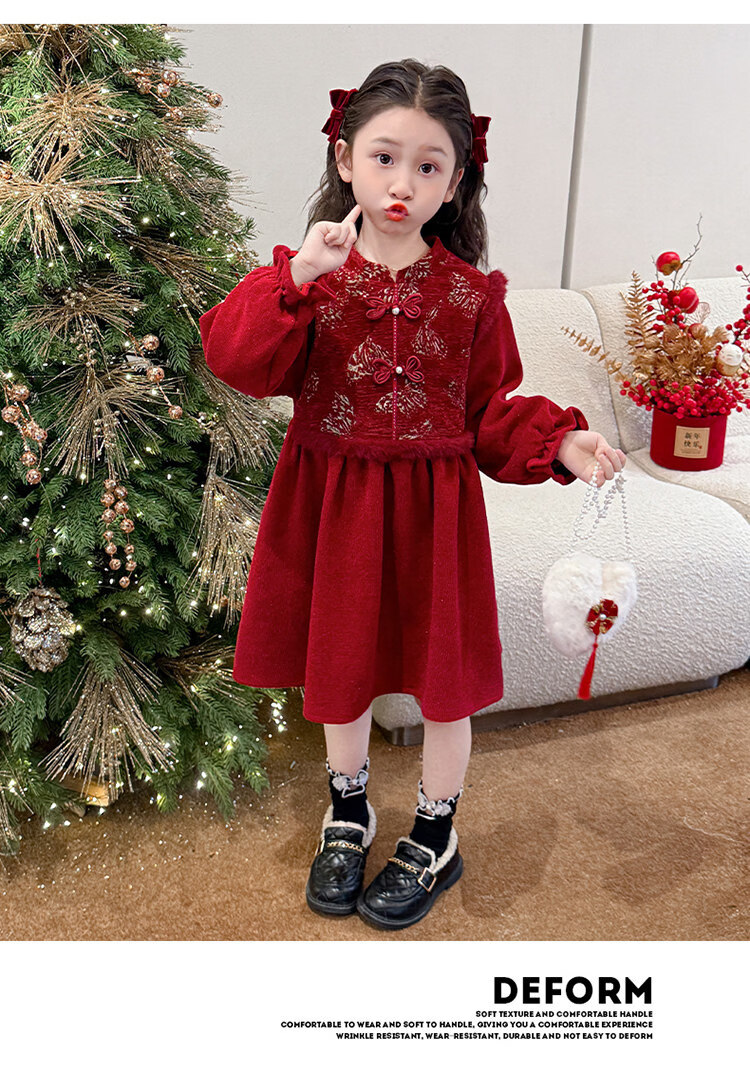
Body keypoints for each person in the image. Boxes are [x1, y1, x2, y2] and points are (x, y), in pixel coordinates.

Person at [199, 58, 626, 932]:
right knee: (340, 670)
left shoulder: (472, 296)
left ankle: (435, 833)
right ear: (345, 159)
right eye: (384, 157)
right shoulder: (308, 280)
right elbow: (235, 360)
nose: (403, 183)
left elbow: (488, 414)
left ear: (456, 181)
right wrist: (297, 275)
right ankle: (348, 813)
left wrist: (560, 441)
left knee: (445, 686)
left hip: (437, 523)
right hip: (331, 514)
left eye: (429, 165)